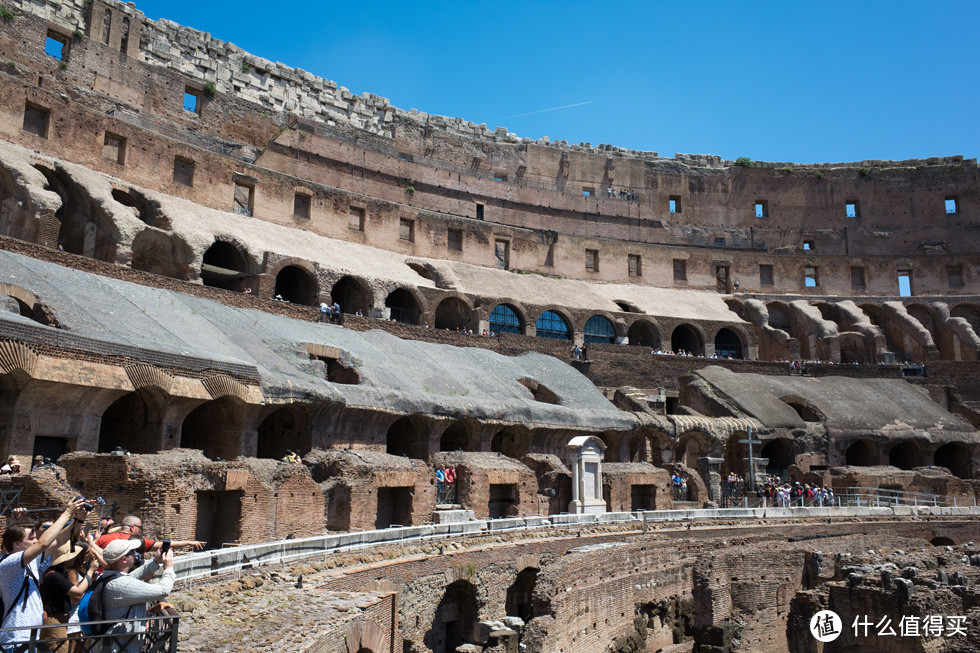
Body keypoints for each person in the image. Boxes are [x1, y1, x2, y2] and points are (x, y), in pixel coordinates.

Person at [0, 498, 89, 648]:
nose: (36, 541)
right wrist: (67, 513)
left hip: (30, 637)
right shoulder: (9, 562)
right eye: (31, 538)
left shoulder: (32, 561)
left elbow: (61, 540)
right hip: (16, 639)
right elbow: (44, 543)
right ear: (16, 544)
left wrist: (78, 520)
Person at [94, 539, 176, 653]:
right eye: (132, 552)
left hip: (113, 643)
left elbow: (132, 577)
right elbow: (163, 590)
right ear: (124, 559)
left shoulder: (108, 576)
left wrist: (155, 561)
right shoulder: (121, 585)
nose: (135, 554)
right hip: (119, 647)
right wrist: (169, 568)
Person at [95, 516, 203, 554]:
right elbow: (164, 544)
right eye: (139, 528)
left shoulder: (103, 538)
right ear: (132, 527)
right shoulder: (137, 542)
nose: (140, 531)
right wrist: (188, 542)